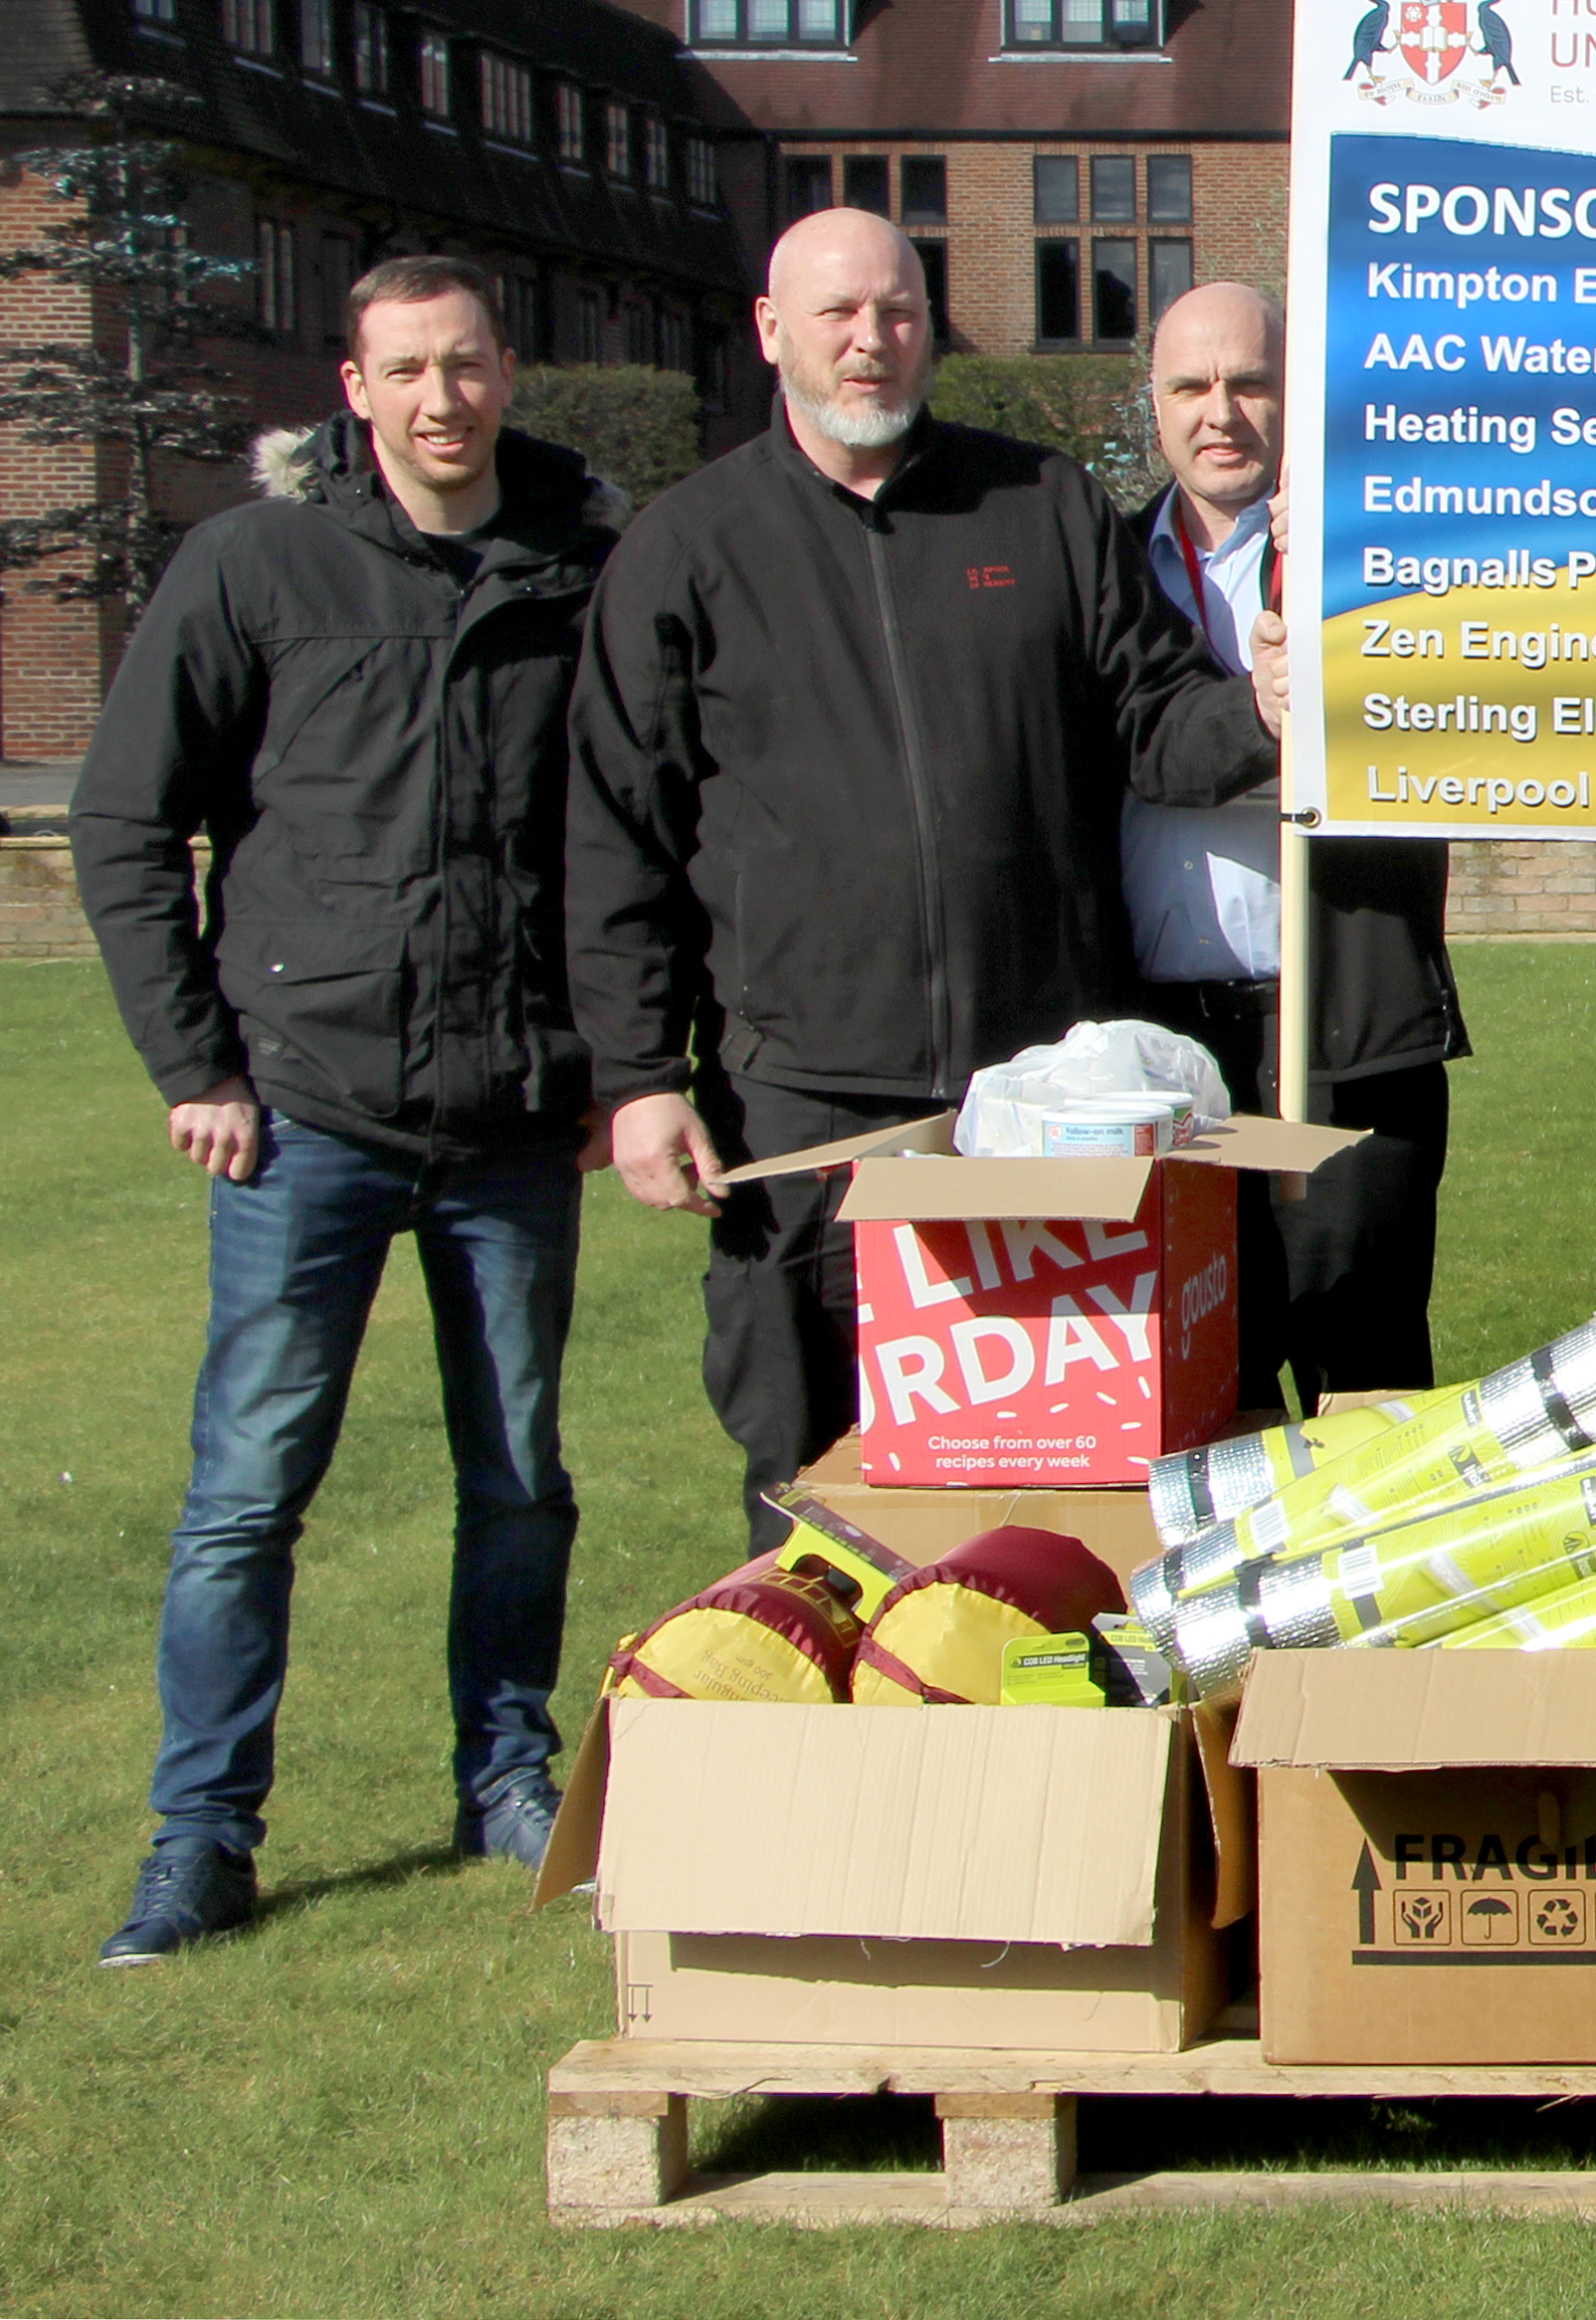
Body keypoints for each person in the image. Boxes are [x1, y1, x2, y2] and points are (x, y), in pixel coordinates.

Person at [568, 210, 1284, 1542]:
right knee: (807, 1472)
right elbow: (619, 829)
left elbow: (1156, 717)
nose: (869, 338)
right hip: (804, 1095)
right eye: (837, 311)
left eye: (896, 310)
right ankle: (822, 1733)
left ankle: (1043, 1733)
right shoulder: (687, 548)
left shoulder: (1042, 504)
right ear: (771, 330)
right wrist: (636, 1078)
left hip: (1042, 1092)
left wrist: (1264, 709)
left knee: (1068, 1469)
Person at [70, 255, 621, 1963]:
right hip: (305, 1109)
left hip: (517, 1112)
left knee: (520, 1478)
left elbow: (639, 837)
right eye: (406, 369)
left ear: (507, 370)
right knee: (249, 1491)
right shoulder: (255, 565)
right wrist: (195, 1067)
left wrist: (621, 1064)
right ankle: (204, 1835)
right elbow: (122, 827)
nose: (440, 397)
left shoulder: (583, 569)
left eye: (465, 363)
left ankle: (505, 1778)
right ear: (355, 385)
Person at [1124, 283, 1468, 1405]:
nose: (1219, 410)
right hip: (1162, 1045)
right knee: (1187, 1390)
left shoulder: (1390, 554)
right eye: (1189, 385)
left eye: (1249, 381)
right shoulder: (1103, 570)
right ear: (1155, 403)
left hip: (1345, 1030)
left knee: (1358, 1387)